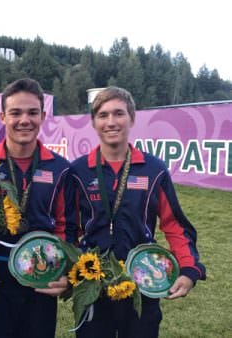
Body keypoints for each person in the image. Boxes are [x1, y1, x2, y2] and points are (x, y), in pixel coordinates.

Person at [70, 86, 206, 338]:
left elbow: (174, 224)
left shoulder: (153, 169)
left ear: (132, 118)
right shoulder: (78, 171)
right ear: (93, 122)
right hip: (93, 282)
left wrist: (189, 270)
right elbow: (67, 227)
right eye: (103, 115)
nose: (111, 122)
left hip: (145, 280)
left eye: (118, 114)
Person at [0, 78, 78, 338]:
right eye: (16, 113)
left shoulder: (60, 169)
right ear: (3, 116)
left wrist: (64, 269)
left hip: (40, 281)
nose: (24, 120)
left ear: (43, 115)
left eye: (32, 112)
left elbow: (68, 226)